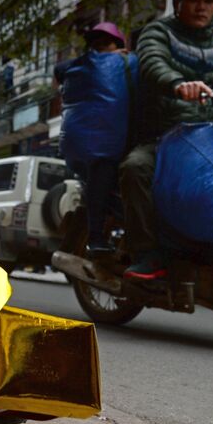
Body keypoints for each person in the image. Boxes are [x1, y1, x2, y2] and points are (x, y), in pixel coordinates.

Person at [119, 0, 213, 280]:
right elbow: (152, 62)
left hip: (210, 139)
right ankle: (147, 253)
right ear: (178, 4)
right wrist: (177, 84)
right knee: (135, 168)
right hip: (166, 135)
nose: (202, 7)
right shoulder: (158, 32)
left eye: (209, 1)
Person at [55, 22, 138, 255]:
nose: (101, 49)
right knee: (100, 178)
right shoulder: (96, 65)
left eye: (106, 44)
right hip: (98, 144)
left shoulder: (126, 64)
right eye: (97, 45)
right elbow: (60, 69)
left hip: (94, 143)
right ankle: (96, 238)